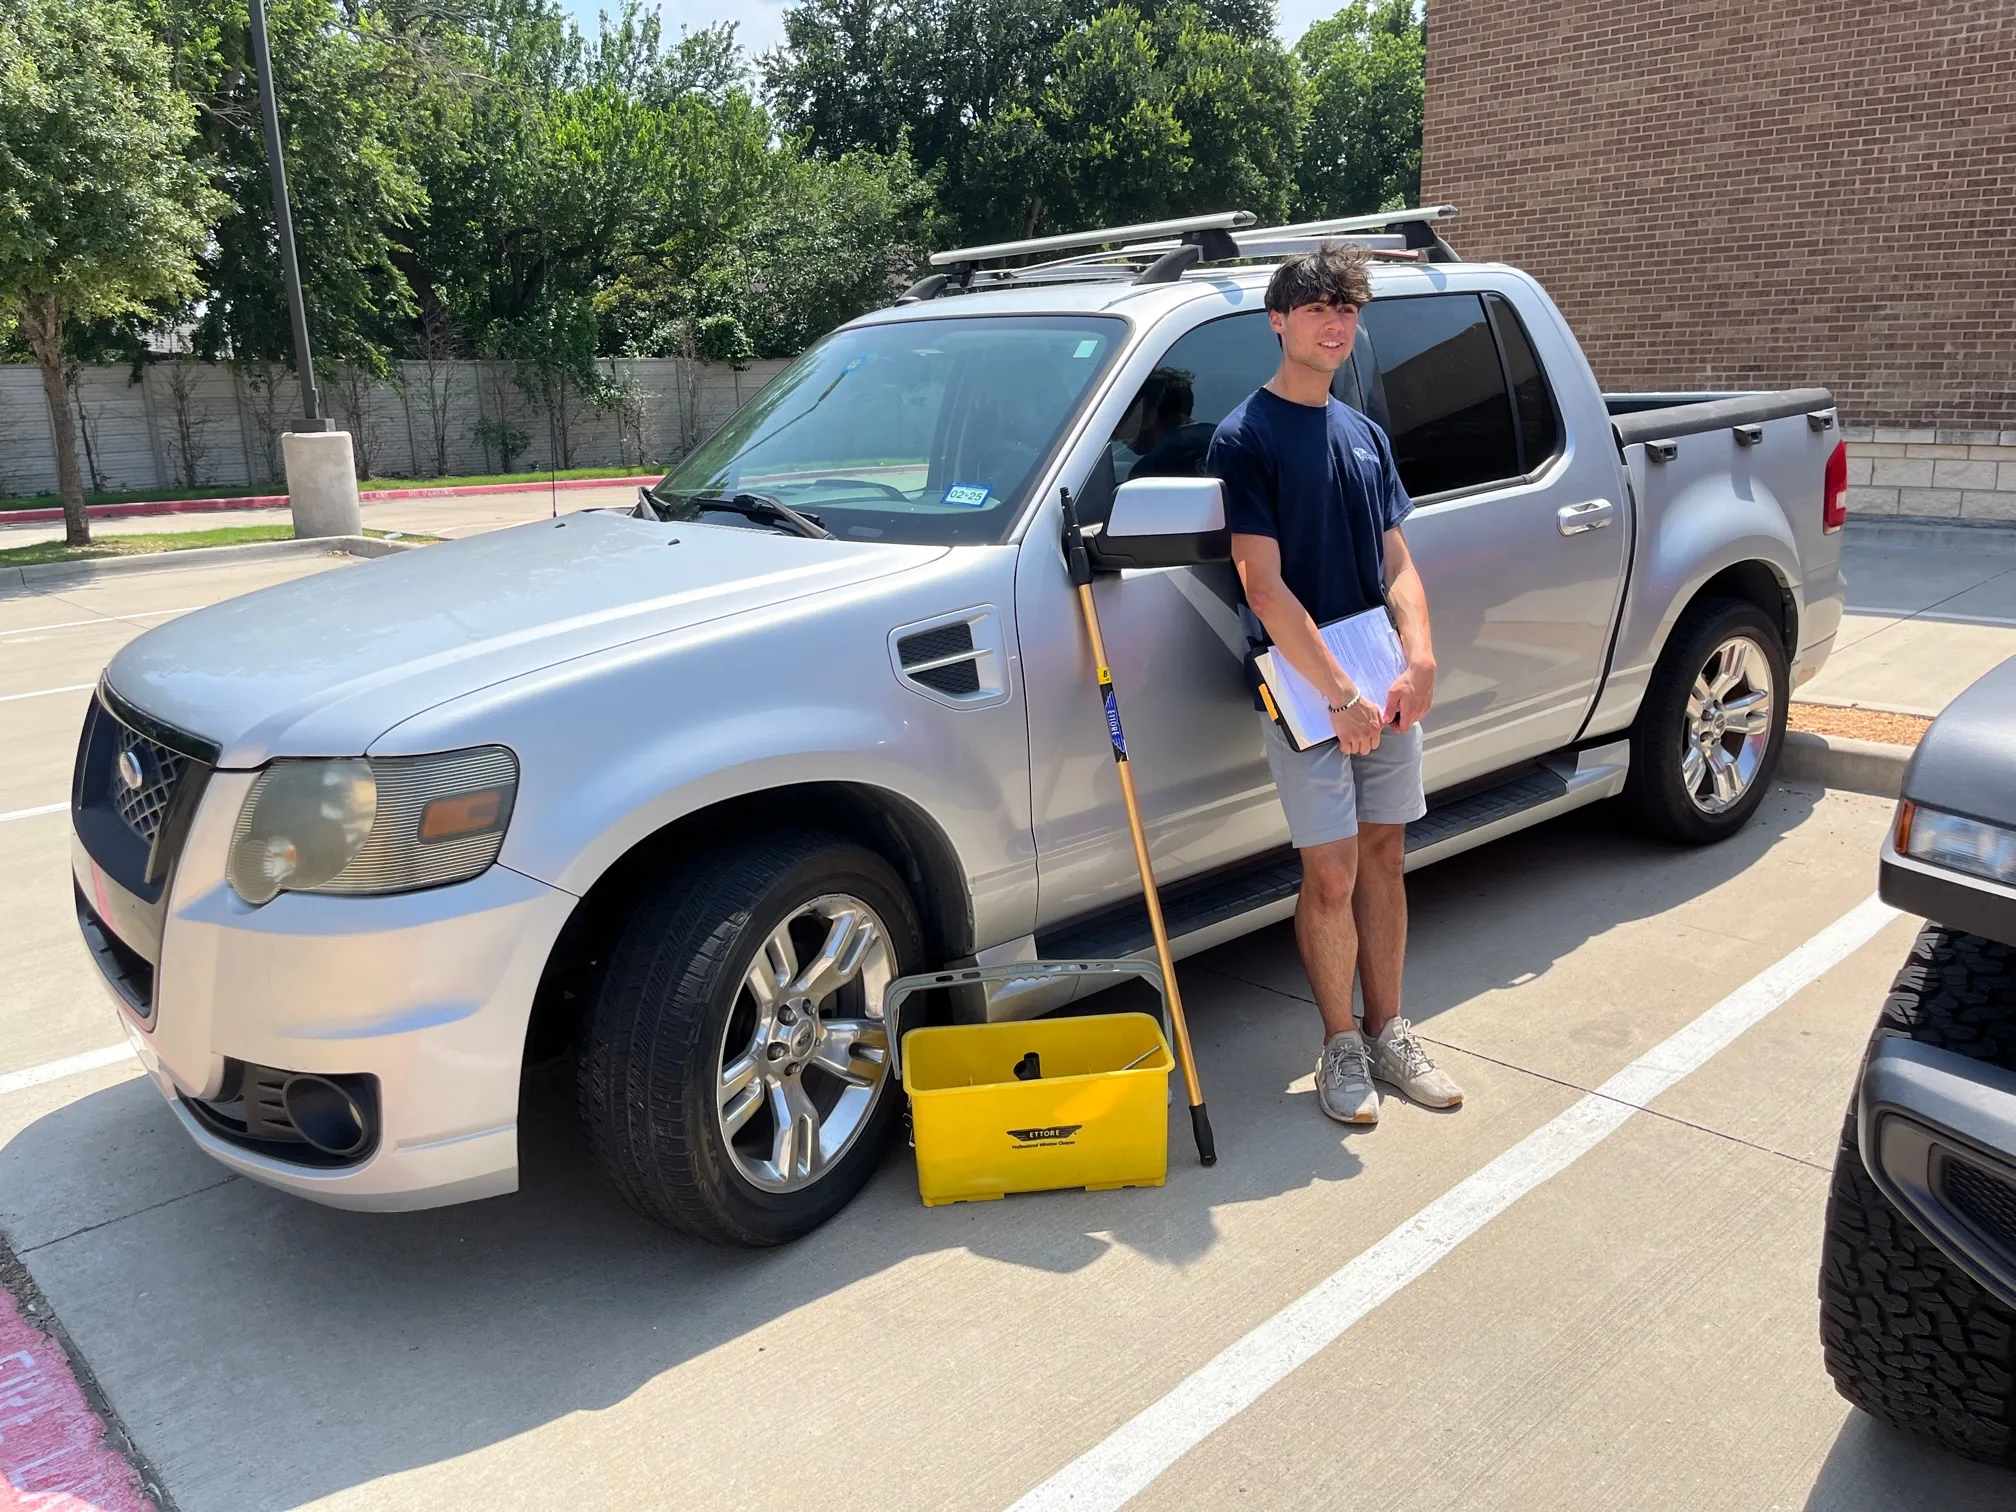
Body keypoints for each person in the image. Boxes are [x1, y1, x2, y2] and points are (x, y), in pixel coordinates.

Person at [1206, 241, 1464, 1126]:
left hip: (1381, 674)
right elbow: (1262, 586)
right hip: (1305, 684)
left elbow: (1398, 564)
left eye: (1347, 311)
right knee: (1330, 874)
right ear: (1278, 321)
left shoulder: (1366, 436)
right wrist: (1338, 696)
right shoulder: (1246, 437)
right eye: (1317, 309)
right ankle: (1339, 1046)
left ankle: (1391, 1031)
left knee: (1387, 856)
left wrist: (1419, 654)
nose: (1335, 324)